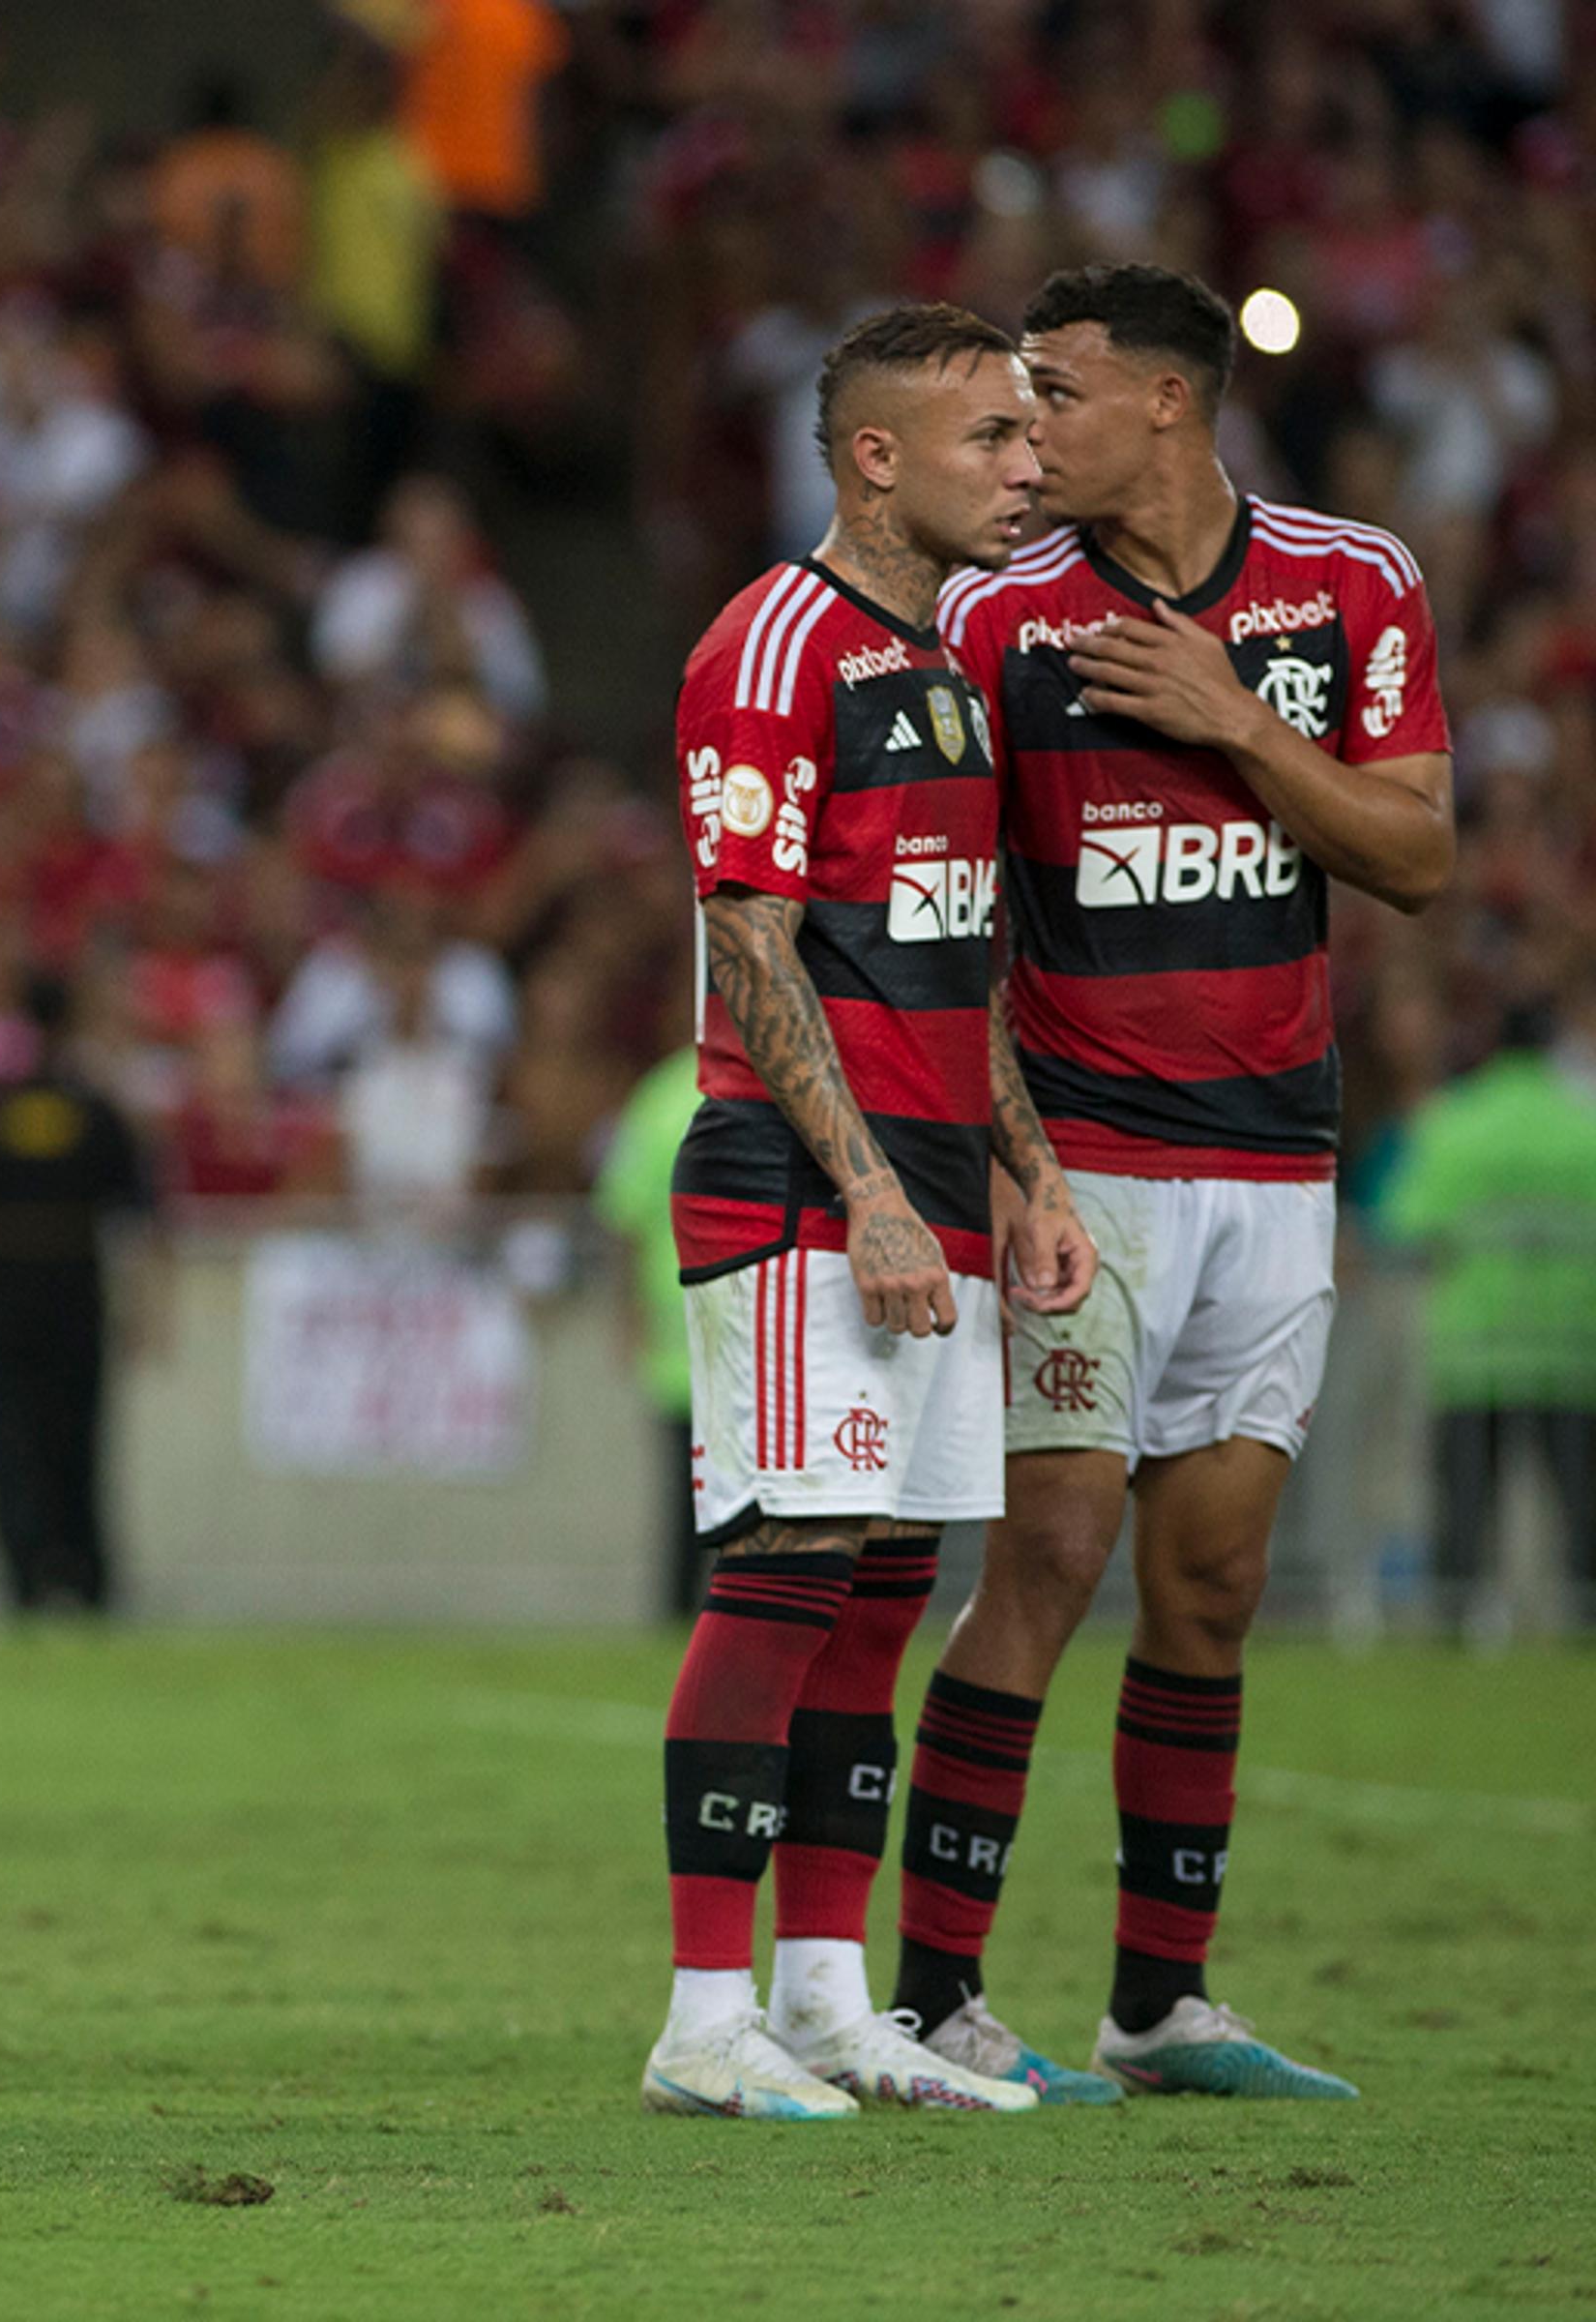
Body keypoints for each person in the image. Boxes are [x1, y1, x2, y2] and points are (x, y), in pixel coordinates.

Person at [901, 264, 1456, 2103]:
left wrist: (1232, 719)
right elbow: (952, 923)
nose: (1020, 425)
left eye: (1048, 391)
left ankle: (1161, 2004)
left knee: (1212, 1585)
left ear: (1163, 401)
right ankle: (935, 1998)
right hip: (1091, 1161)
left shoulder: (1351, 584)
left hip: (1278, 1162)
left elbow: (1418, 854)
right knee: (1052, 1555)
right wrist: (1009, 1167)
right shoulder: (995, 621)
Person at [640, 304, 1088, 2123]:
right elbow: (749, 932)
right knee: (786, 1572)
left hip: (936, 1199)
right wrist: (878, 1199)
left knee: (888, 1586)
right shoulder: (771, 645)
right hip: (808, 1195)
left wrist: (1030, 1173)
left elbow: (954, 958)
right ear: (876, 457)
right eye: (992, 436)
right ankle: (698, 2016)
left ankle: (827, 1997)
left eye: (1033, 433)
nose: (1032, 464)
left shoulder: (955, 666)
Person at [0, 969, 157, 1617]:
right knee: (78, 1438)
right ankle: (84, 1576)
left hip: (10, 1286)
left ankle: (25, 1577)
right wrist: (149, 1312)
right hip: (77, 1285)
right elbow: (144, 1221)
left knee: (8, 1440)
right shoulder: (97, 1111)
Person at [1375, 993, 1596, 1639]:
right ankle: (1584, 1627)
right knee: (1583, 1510)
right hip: (1571, 1352)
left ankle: (1455, 1625)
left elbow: (1402, 1222)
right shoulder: (1585, 1126)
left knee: (1466, 1508)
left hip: (1475, 1352)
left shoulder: (1453, 1124)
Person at [592, 1038, 702, 1623]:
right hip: (713, 1333)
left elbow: (621, 1214)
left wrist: (628, 1316)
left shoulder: (659, 1098)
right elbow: (624, 1215)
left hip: (675, 1328)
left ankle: (682, 1611)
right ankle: (705, 1613)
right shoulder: (773, 1076)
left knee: (687, 1498)